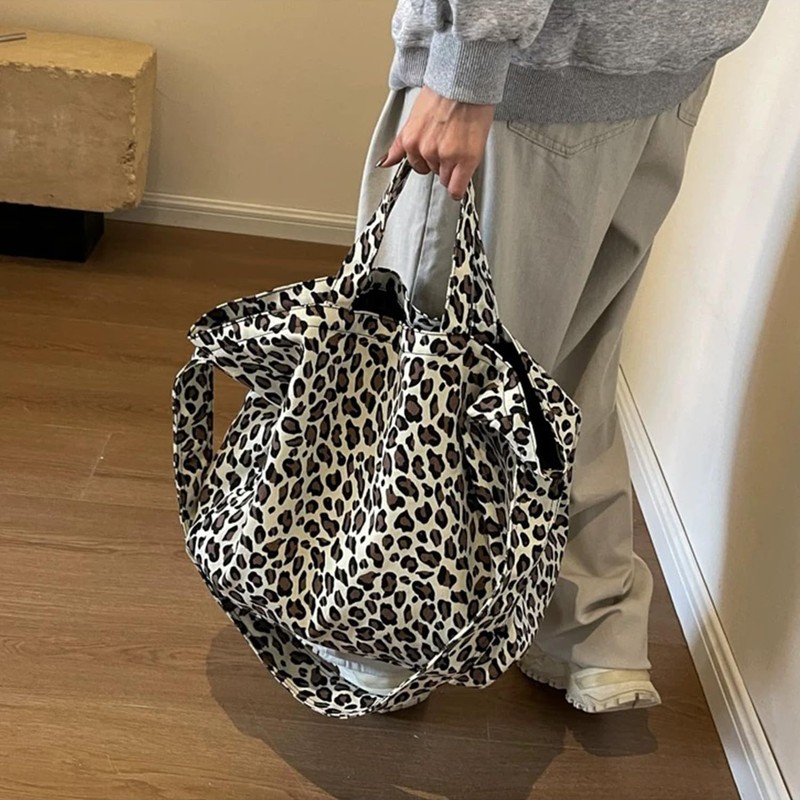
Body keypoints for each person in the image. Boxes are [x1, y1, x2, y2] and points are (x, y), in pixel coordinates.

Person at [314, 0, 769, 713]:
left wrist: (467, 69)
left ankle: (382, 632)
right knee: (573, 373)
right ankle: (593, 633)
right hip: (673, 64)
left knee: (428, 371)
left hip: (525, 80)